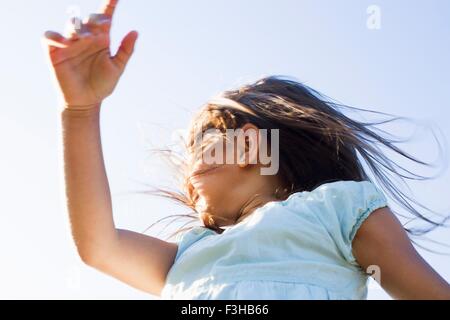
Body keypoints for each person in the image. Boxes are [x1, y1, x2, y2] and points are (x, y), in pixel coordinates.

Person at [44, 0, 450, 299]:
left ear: (251, 144)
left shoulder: (338, 209)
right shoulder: (189, 254)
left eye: (199, 146)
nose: (187, 170)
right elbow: (98, 245)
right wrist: (81, 110)